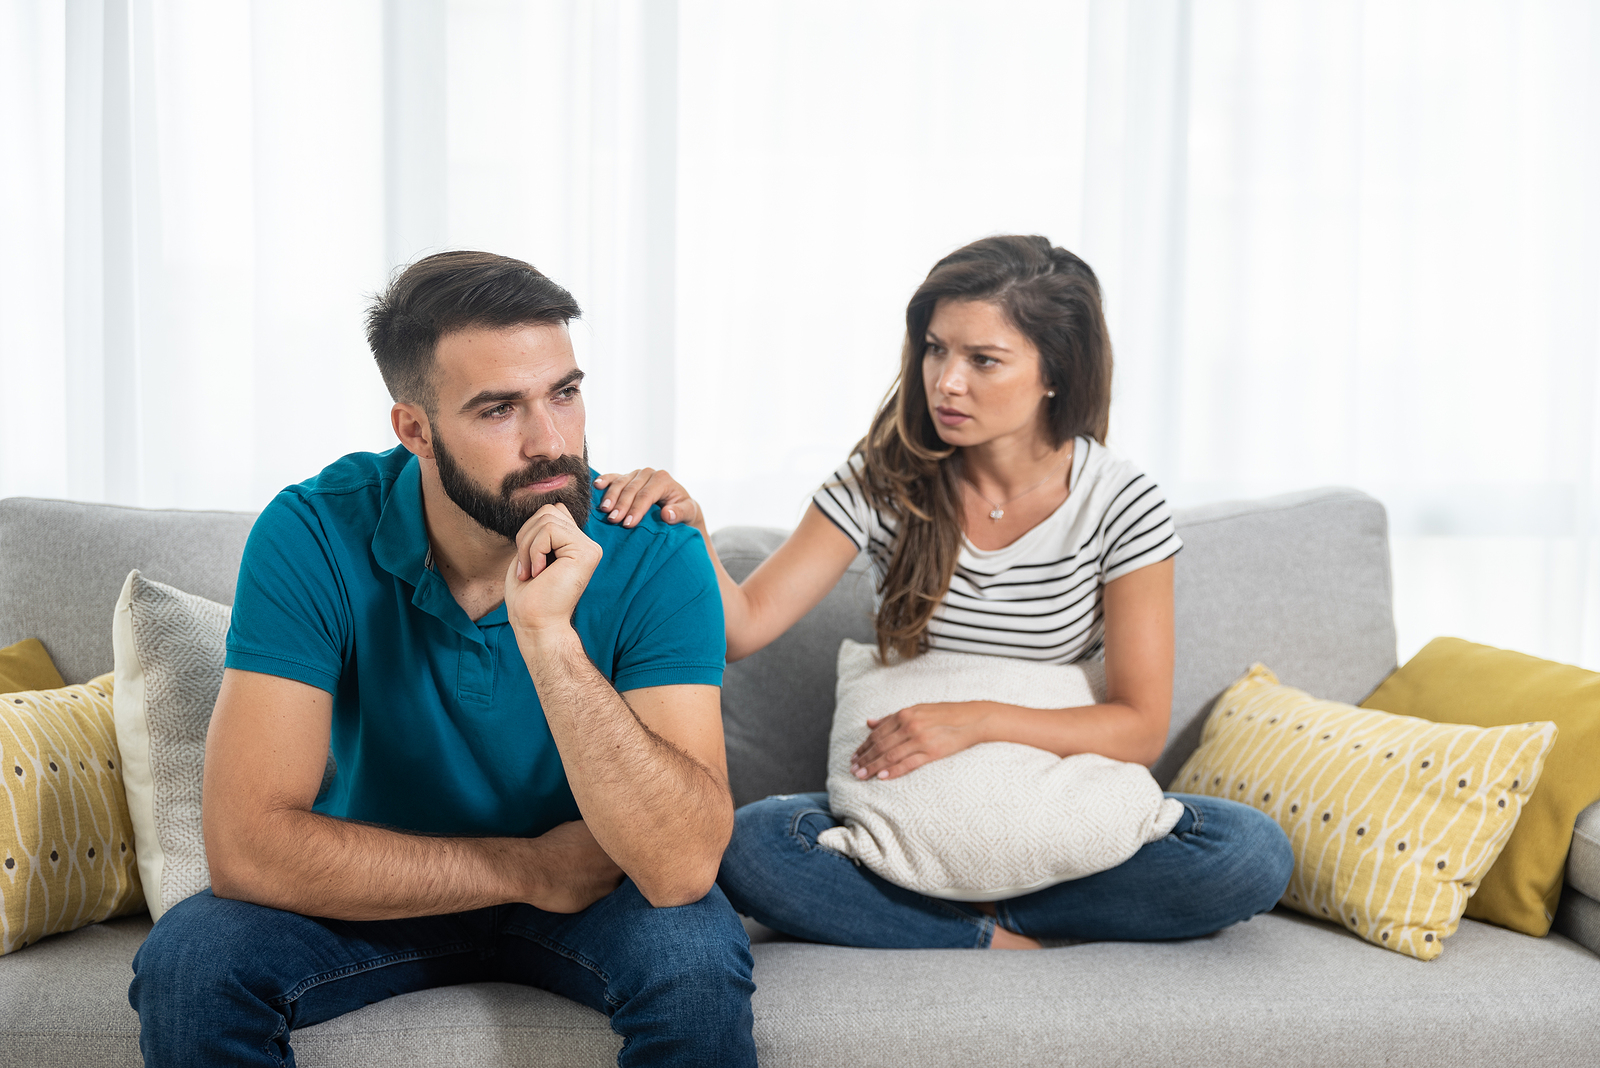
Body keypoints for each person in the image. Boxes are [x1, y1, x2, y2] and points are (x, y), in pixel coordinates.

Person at [127, 251, 757, 1066]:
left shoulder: (655, 546)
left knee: (693, 956)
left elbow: (679, 867)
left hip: (597, 896)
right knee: (192, 957)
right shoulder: (311, 532)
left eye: (564, 393)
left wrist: (550, 641)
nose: (552, 443)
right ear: (415, 428)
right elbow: (246, 848)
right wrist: (527, 868)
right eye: (499, 410)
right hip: (377, 890)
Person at [595, 234, 1293, 951]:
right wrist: (692, 527)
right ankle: (999, 934)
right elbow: (742, 628)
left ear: (1056, 372)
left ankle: (954, 924)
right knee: (755, 845)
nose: (946, 382)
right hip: (911, 819)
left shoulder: (1122, 504)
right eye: (935, 350)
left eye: (983, 360)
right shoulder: (880, 481)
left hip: (1055, 810)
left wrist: (976, 720)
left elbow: (1140, 726)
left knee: (1250, 851)